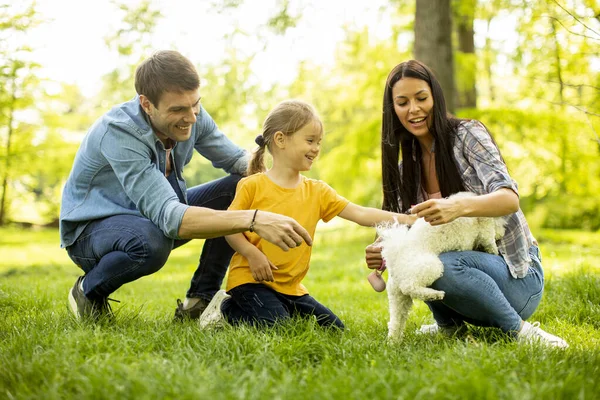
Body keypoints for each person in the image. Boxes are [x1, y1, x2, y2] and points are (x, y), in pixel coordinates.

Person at [60, 50, 312, 322]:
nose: (191, 117)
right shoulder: (120, 133)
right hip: (92, 232)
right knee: (150, 243)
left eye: (195, 104)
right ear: (146, 104)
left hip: (149, 217)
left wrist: (286, 175)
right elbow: (170, 218)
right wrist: (253, 219)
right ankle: (87, 291)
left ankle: (199, 301)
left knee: (240, 186)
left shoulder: (193, 115)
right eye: (178, 109)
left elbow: (239, 161)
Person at [364, 59, 568, 348]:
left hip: (516, 279)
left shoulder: (467, 136)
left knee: (442, 264)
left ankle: (522, 332)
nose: (414, 109)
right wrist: (381, 252)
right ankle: (450, 327)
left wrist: (457, 207)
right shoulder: (405, 168)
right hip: (466, 291)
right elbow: (405, 233)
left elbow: (509, 199)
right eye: (402, 102)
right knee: (422, 258)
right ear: (393, 109)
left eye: (421, 98)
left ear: (435, 96)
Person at [197, 99, 415, 330]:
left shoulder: (317, 191)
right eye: (310, 141)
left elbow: (360, 213)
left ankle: (276, 309)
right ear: (280, 139)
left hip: (291, 288)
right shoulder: (252, 185)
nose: (316, 149)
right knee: (278, 327)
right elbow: (230, 228)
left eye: (318, 142)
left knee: (334, 329)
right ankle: (226, 309)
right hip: (250, 281)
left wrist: (409, 219)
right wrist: (252, 254)